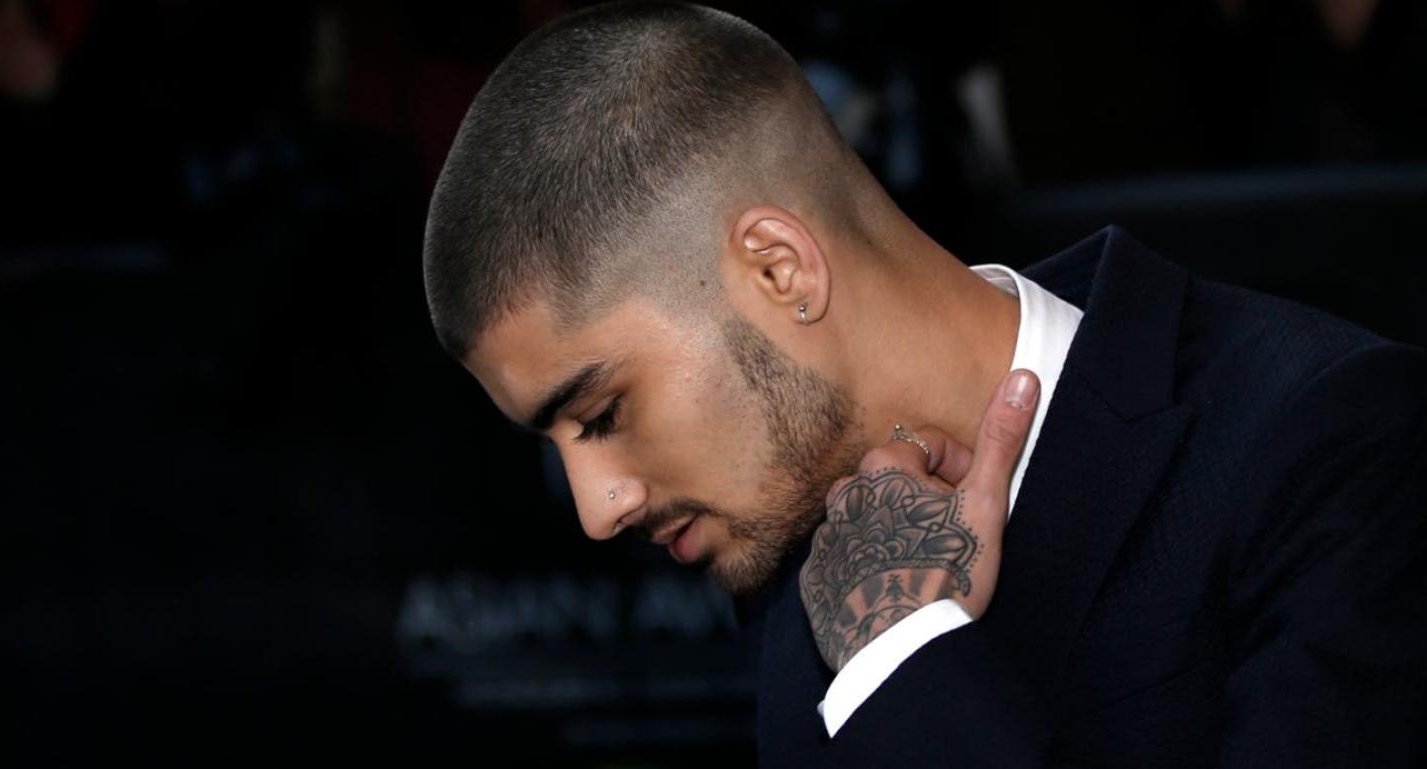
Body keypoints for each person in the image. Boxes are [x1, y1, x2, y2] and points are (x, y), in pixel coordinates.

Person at [419, 2, 1427, 766]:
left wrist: (901, 654)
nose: (596, 509)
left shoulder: (1332, 443)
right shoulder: (795, 568)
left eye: (602, 413)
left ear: (779, 268)